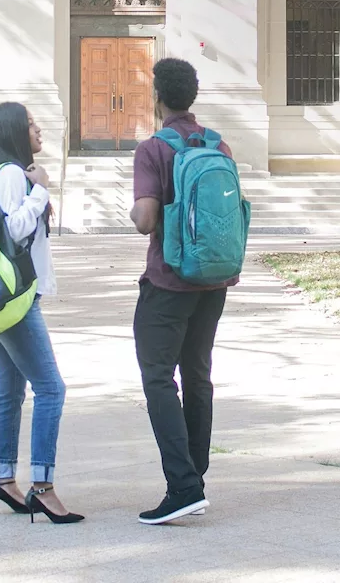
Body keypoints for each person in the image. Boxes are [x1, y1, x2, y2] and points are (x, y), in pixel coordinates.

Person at [128, 58, 238, 525]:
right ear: (191, 96)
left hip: (169, 281)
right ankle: (196, 476)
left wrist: (134, 208)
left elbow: (146, 221)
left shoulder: (153, 149)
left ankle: (183, 486)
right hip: (213, 280)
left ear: (158, 98)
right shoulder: (219, 144)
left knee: (158, 378)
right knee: (197, 376)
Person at [0, 101, 84, 525]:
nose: (39, 129)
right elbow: (12, 230)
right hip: (15, 298)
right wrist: (40, 191)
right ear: (12, 133)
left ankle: (3, 479)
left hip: (5, 297)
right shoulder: (7, 175)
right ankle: (42, 487)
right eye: (31, 124)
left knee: (11, 388)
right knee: (51, 389)